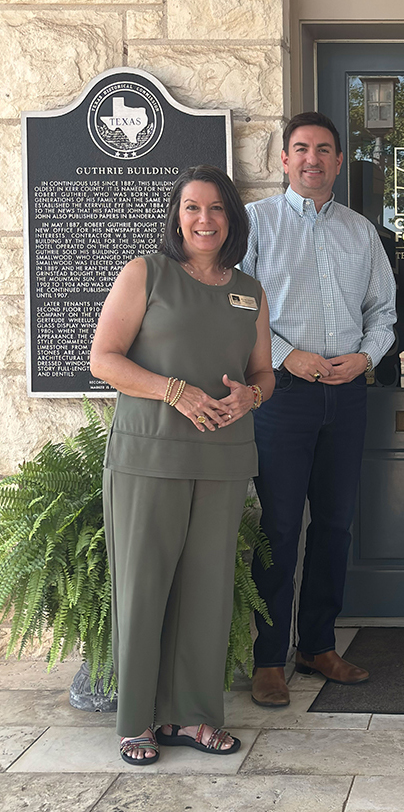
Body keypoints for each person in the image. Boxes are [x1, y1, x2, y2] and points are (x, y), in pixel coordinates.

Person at [90, 165, 275, 765]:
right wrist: (174, 391)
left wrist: (252, 395)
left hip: (222, 457)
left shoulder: (250, 291)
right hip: (149, 456)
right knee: (144, 588)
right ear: (176, 216)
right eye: (192, 207)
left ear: (231, 217)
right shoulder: (146, 273)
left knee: (208, 590)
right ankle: (137, 723)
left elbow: (263, 372)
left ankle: (194, 718)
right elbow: (104, 359)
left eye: (216, 208)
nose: (204, 219)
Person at [242, 111, 396, 708]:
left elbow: (384, 312)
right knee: (279, 527)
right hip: (281, 395)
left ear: (337, 161)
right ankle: (268, 659)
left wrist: (365, 357)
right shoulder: (255, 224)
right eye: (301, 148)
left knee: (334, 525)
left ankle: (317, 645)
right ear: (284, 159)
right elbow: (236, 307)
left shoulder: (361, 232)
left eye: (324, 149)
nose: (313, 159)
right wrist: (288, 356)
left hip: (347, 394)